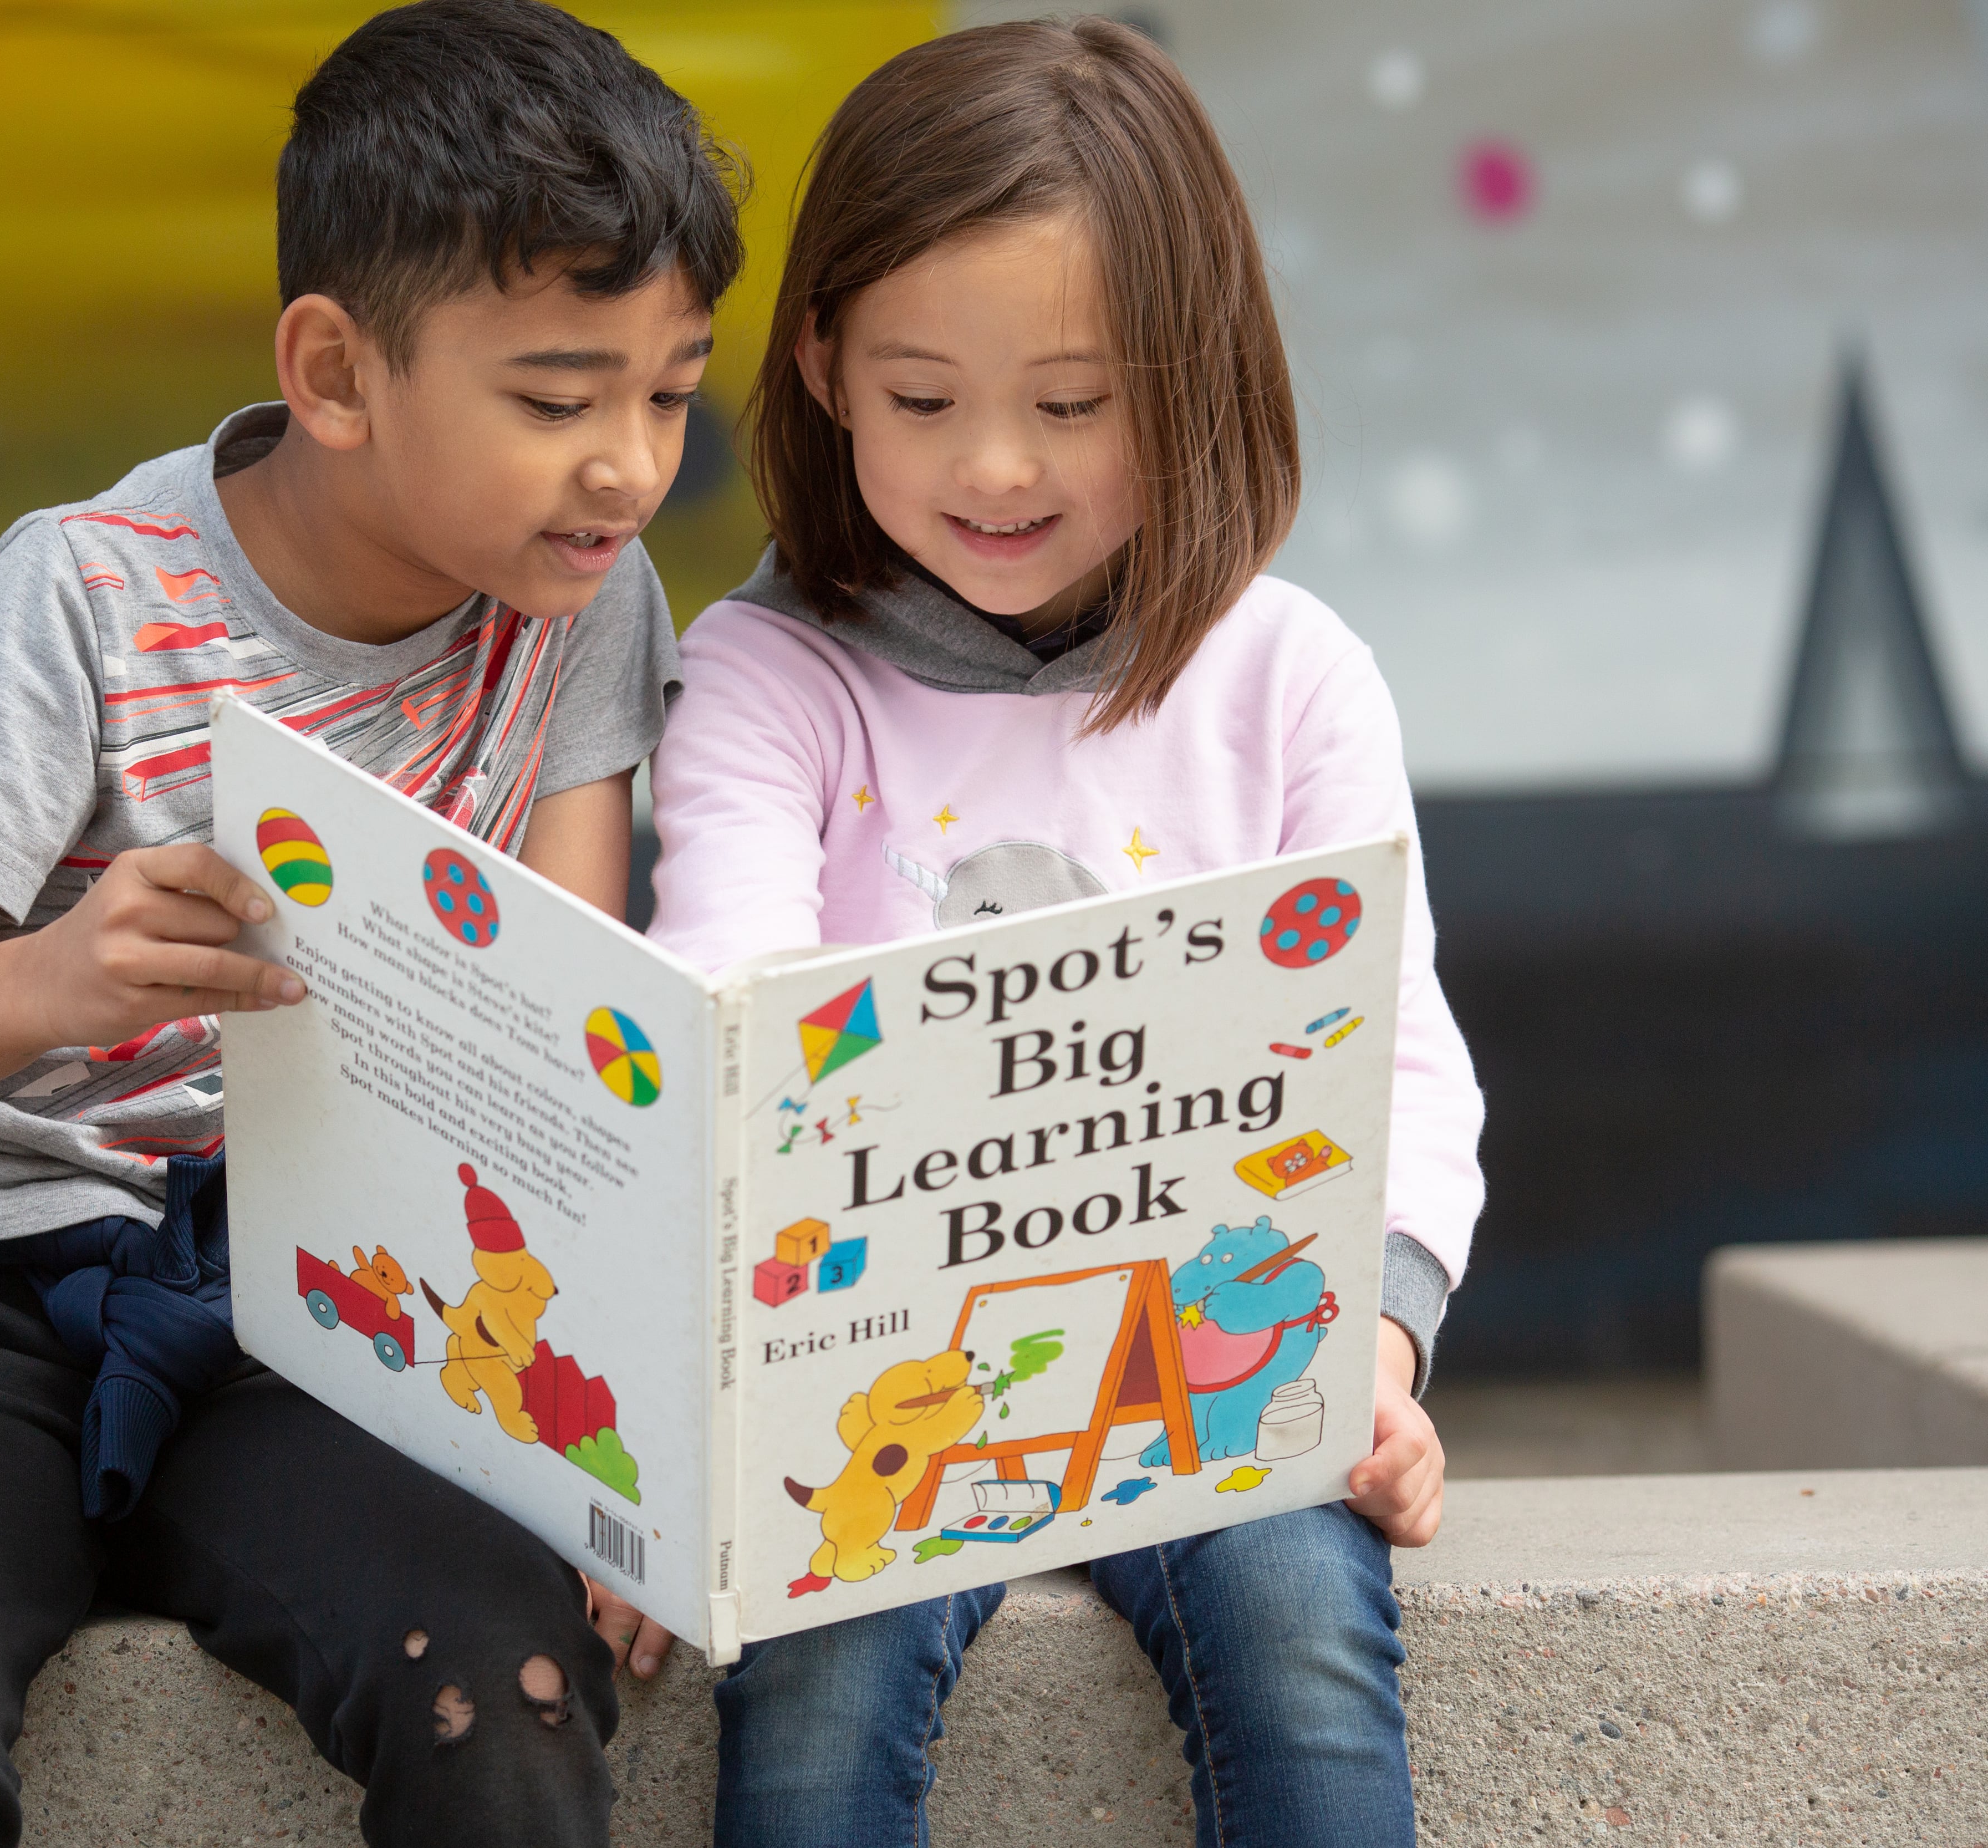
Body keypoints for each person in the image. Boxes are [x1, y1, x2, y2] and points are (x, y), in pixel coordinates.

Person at [0, 6, 742, 1844]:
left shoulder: (580, 598)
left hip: (313, 1307)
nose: (630, 469)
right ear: (337, 374)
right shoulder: (85, 601)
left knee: (507, 1691)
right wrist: (56, 977)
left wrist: (630, 1480)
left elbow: (573, 1066)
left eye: (671, 392)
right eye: (560, 400)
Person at [640, 19, 1484, 1848]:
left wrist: (1373, 1355)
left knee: (1305, 1645)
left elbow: (1394, 1053)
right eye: (925, 399)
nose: (999, 468)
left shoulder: (1284, 672)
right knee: (814, 1691)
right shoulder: (771, 678)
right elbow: (730, 996)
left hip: (1222, 1355)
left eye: (1077, 404)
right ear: (824, 368)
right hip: (884, 1380)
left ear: (1192, 381)